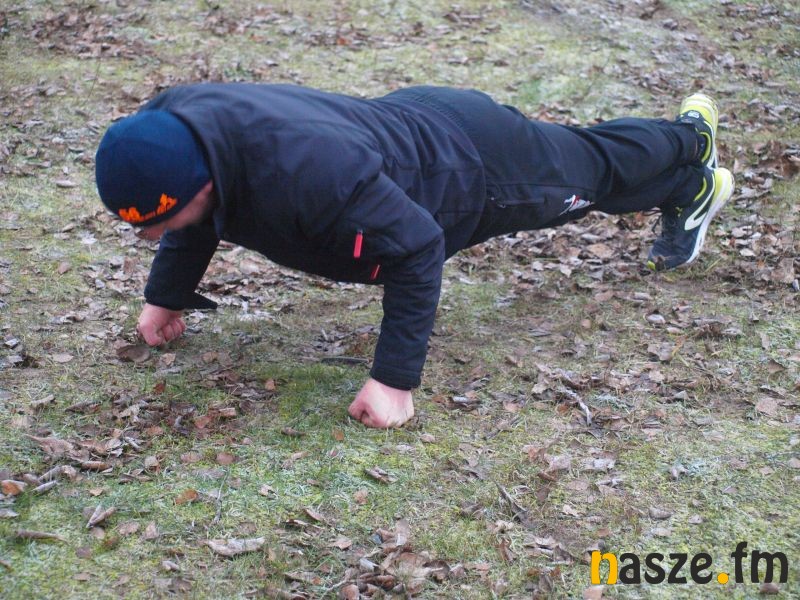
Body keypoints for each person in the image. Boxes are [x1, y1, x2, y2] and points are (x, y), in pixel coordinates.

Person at [94, 84, 733, 429]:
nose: (150, 237)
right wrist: (165, 296)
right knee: (582, 178)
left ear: (200, 185)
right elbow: (193, 207)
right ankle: (689, 188)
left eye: (158, 225)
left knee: (589, 172)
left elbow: (419, 246)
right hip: (409, 131)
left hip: (474, 166)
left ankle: (688, 138)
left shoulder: (310, 177)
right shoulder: (174, 127)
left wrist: (393, 381)